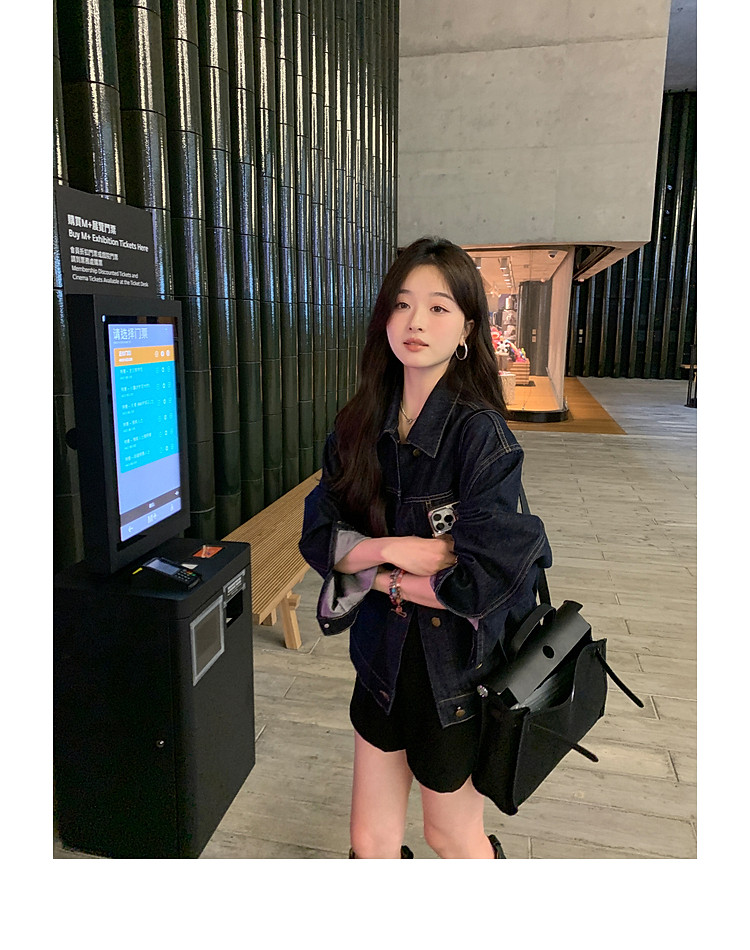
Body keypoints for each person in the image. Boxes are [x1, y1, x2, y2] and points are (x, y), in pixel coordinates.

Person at [299, 237, 552, 859]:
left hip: (455, 678)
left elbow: (479, 583)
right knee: (370, 843)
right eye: (403, 304)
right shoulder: (358, 425)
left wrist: (371, 569)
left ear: (467, 329)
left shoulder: (481, 436)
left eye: (439, 308)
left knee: (450, 835)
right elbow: (318, 536)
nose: (416, 321)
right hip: (379, 663)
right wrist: (395, 548)